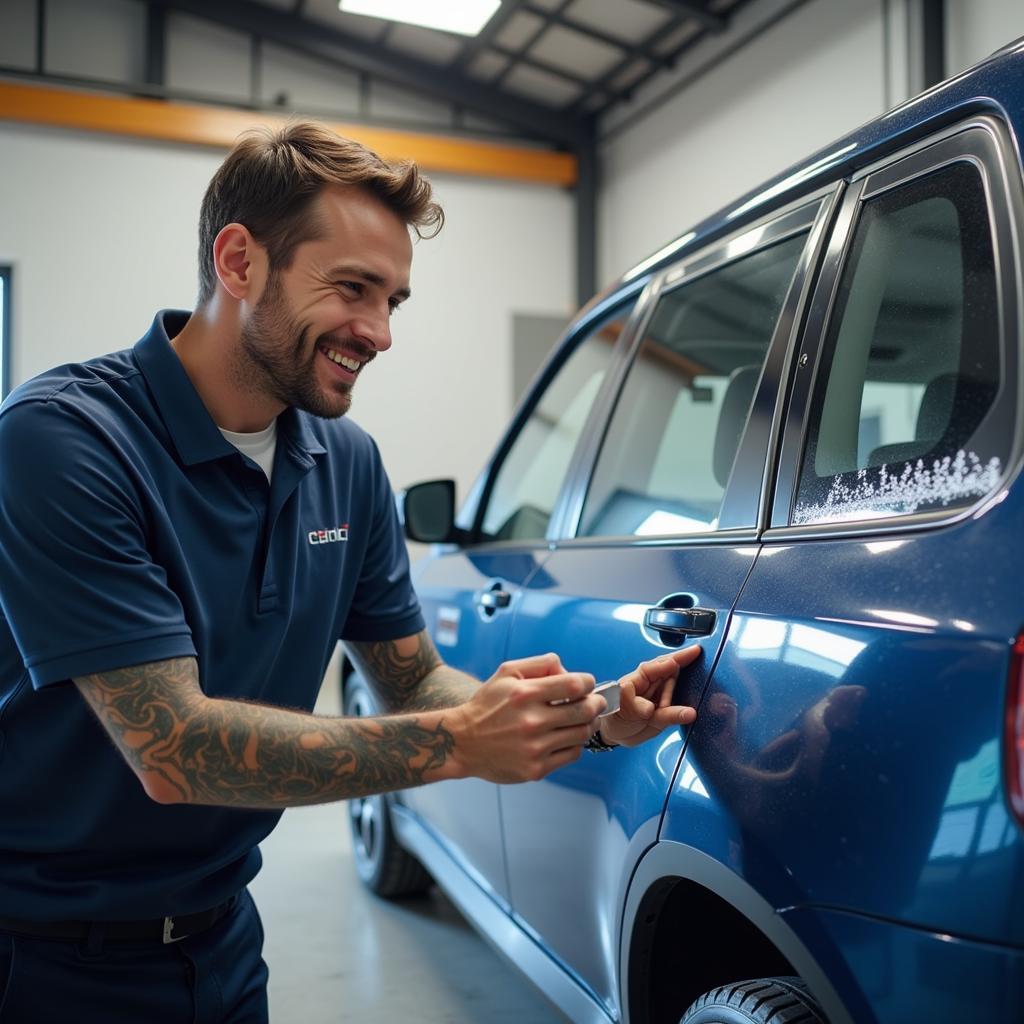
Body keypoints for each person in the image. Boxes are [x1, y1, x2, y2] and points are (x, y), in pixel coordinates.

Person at [0, 121, 700, 1022]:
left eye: (394, 301)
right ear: (239, 260)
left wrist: (583, 720)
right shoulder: (63, 440)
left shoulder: (346, 460)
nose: (378, 332)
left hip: (220, 943)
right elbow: (172, 751)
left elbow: (412, 684)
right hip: (41, 960)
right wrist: (459, 745)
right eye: (352, 289)